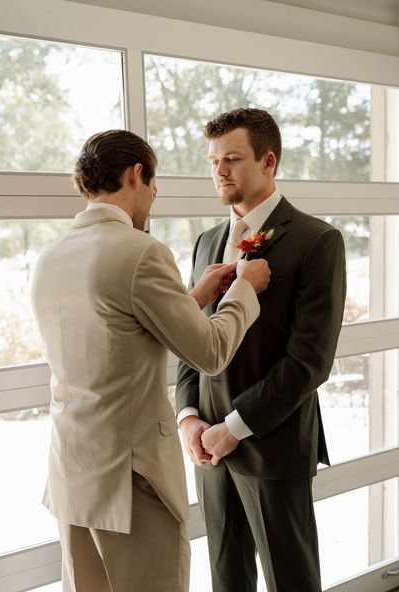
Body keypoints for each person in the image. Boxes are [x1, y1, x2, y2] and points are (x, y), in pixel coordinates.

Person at [30, 129, 271, 592]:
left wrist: (196, 296)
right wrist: (245, 287)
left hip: (72, 474)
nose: (151, 206)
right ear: (137, 174)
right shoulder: (141, 252)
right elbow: (211, 353)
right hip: (132, 482)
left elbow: (116, 326)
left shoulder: (50, 256)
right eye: (154, 192)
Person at [176, 108, 347, 592]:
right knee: (226, 579)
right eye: (213, 161)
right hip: (208, 447)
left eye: (232, 158)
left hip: (272, 445)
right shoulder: (207, 242)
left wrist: (234, 428)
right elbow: (191, 337)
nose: (220, 171)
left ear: (269, 161)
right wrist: (189, 416)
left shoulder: (318, 241)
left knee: (290, 580)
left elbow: (309, 361)